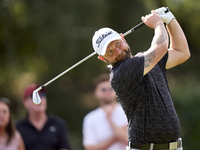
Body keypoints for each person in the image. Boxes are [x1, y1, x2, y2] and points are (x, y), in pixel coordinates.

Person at [92, 7, 190, 150]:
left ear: (122, 38)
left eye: (118, 44)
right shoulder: (120, 72)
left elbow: (182, 52)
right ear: (102, 58)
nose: (118, 52)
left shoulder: (147, 59)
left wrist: (169, 19)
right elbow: (161, 47)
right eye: (110, 52)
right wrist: (158, 23)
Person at [16, 84, 71, 150]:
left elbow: (65, 148)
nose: (40, 99)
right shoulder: (18, 127)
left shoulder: (58, 124)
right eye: (34, 96)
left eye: (42, 95)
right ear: (25, 102)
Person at [82, 74, 128, 150]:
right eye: (103, 89)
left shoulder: (128, 112)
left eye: (111, 88)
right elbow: (89, 148)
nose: (107, 92)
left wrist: (110, 120)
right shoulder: (90, 118)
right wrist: (117, 134)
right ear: (96, 93)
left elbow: (132, 142)